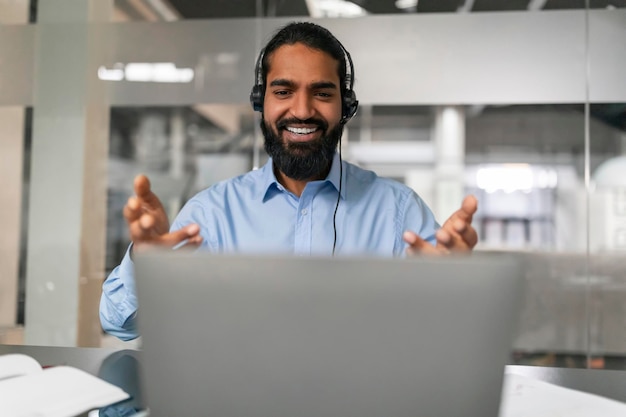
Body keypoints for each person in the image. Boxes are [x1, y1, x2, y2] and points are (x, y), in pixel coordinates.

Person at [100, 21, 478, 341]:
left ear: (345, 107)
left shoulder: (398, 211)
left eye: (322, 93)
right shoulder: (212, 214)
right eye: (283, 92)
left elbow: (451, 334)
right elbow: (120, 324)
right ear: (260, 102)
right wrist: (146, 265)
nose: (301, 110)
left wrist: (454, 287)